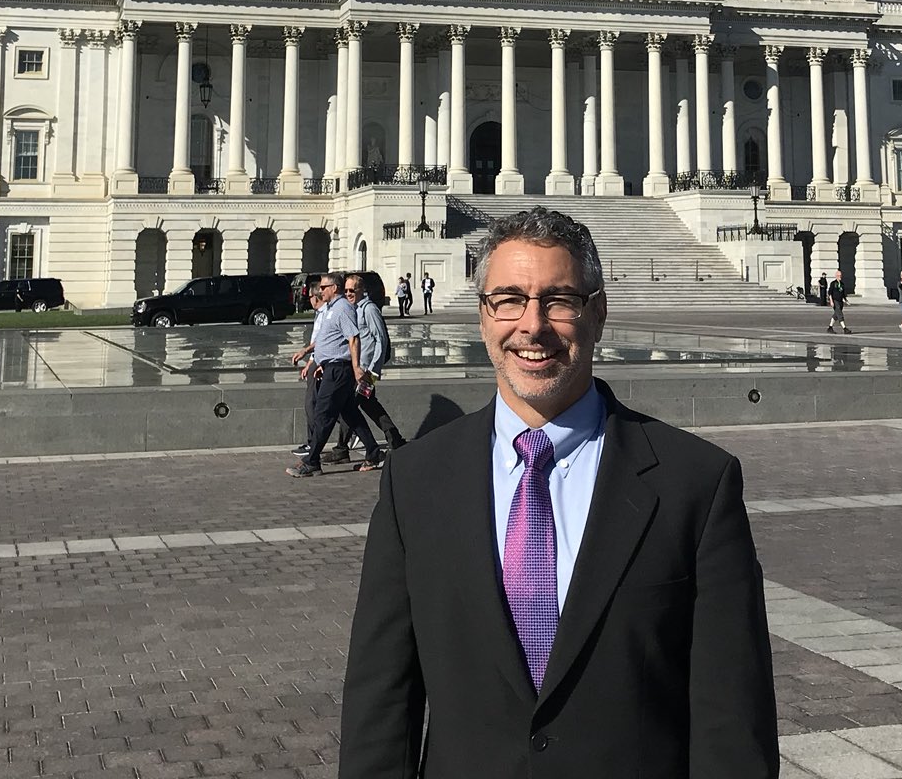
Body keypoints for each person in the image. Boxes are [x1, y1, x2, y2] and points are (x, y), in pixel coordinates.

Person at [340, 206, 777, 777]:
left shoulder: (695, 482)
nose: (532, 325)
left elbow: (732, 717)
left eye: (560, 300)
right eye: (509, 299)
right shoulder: (416, 481)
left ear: (597, 314)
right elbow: (382, 702)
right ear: (483, 316)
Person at [288, 274, 383, 476]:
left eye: (324, 286)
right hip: (332, 366)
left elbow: (353, 338)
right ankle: (374, 452)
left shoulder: (342, 309)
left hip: (339, 369)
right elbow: (330, 338)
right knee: (350, 414)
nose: (320, 290)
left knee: (323, 413)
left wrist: (357, 367)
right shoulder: (332, 309)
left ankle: (312, 461)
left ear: (334, 288)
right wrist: (311, 354)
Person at [347, 272, 407, 463]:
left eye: (352, 290)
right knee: (368, 405)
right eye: (346, 290)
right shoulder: (354, 309)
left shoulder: (370, 310)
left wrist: (374, 370)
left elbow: (380, 340)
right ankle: (394, 438)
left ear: (361, 290)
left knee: (350, 405)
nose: (348, 293)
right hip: (359, 369)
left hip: (368, 370)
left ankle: (343, 447)